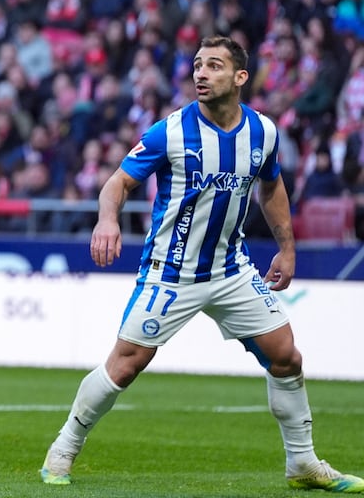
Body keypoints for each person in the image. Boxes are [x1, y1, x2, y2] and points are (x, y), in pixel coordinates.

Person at [39, 35, 364, 493]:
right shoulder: (169, 131)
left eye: (213, 65)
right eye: (197, 65)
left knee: (287, 357)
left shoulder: (263, 132)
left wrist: (287, 249)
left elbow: (271, 188)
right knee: (126, 364)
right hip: (172, 272)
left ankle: (303, 464)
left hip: (232, 271)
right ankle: (63, 449)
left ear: (240, 77)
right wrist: (107, 220)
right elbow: (117, 183)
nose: (201, 73)